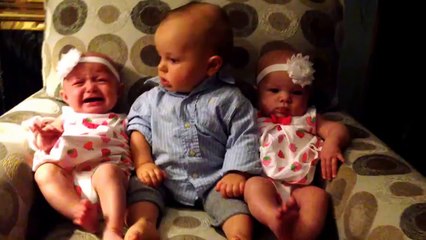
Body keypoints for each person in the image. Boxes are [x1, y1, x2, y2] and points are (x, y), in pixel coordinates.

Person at [125, 2, 261, 240]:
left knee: (235, 204)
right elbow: (137, 128)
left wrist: (236, 173)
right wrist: (144, 163)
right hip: (162, 177)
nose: (161, 67)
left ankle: (239, 235)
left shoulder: (230, 100)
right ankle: (145, 223)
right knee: (141, 190)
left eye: (173, 60)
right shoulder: (152, 98)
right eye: (160, 57)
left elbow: (244, 136)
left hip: (215, 182)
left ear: (211, 65)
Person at [23, 48, 132, 239]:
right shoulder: (65, 118)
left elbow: (140, 143)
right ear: (65, 97)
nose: (90, 88)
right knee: (44, 171)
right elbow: (43, 143)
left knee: (107, 172)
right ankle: (78, 212)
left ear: (119, 90)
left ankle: (112, 228)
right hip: (69, 184)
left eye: (101, 80)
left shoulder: (123, 119)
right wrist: (46, 139)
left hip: (109, 183)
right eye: (79, 83)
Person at [244, 49, 350, 240]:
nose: (285, 98)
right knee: (252, 186)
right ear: (257, 91)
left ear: (308, 95)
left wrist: (332, 143)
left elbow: (338, 129)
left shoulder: (308, 118)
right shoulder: (252, 118)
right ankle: (273, 218)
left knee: (318, 197)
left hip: (302, 186)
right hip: (268, 182)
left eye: (296, 92)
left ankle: (299, 234)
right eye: (274, 90)